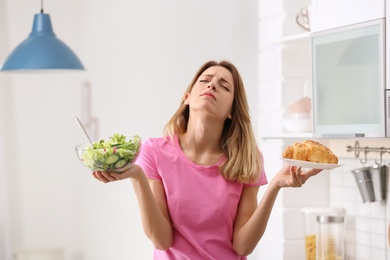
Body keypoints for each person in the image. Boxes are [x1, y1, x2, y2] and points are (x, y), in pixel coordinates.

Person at [92, 60, 322, 259]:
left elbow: (243, 246)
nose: (212, 85)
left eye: (224, 86)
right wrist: (137, 177)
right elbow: (161, 241)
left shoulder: (247, 159)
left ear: (231, 110)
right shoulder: (154, 151)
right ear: (187, 97)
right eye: (205, 80)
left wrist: (274, 187)